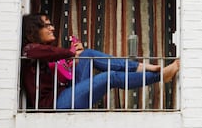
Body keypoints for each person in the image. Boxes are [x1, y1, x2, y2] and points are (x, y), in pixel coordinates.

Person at [21, 13, 180, 109]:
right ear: (34, 30)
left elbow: (62, 67)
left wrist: (75, 59)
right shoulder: (29, 50)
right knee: (109, 77)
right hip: (56, 104)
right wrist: (69, 52)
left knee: (88, 54)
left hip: (68, 93)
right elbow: (41, 52)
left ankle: (142, 66)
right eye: (46, 25)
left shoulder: (46, 53)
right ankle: (159, 76)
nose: (52, 28)